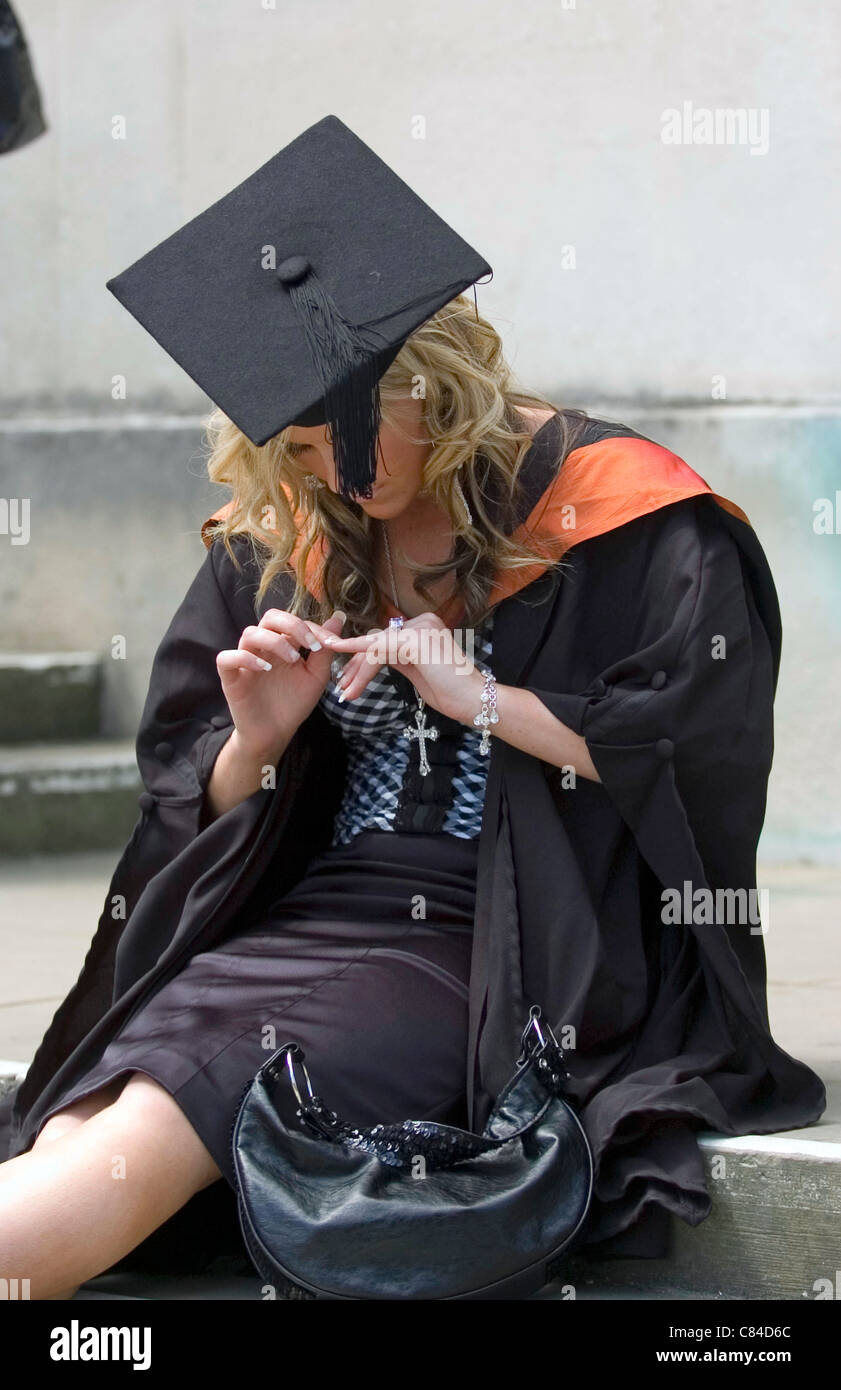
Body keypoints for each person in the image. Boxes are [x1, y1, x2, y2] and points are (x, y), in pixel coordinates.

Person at [0, 119, 826, 1300]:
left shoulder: (630, 518)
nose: (335, 477)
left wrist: (482, 695)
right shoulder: (296, 531)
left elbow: (691, 761)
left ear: (439, 385)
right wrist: (260, 738)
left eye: (350, 436)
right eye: (294, 449)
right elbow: (194, 790)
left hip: (497, 948)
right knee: (101, 1110)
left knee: (154, 1128)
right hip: (293, 921)